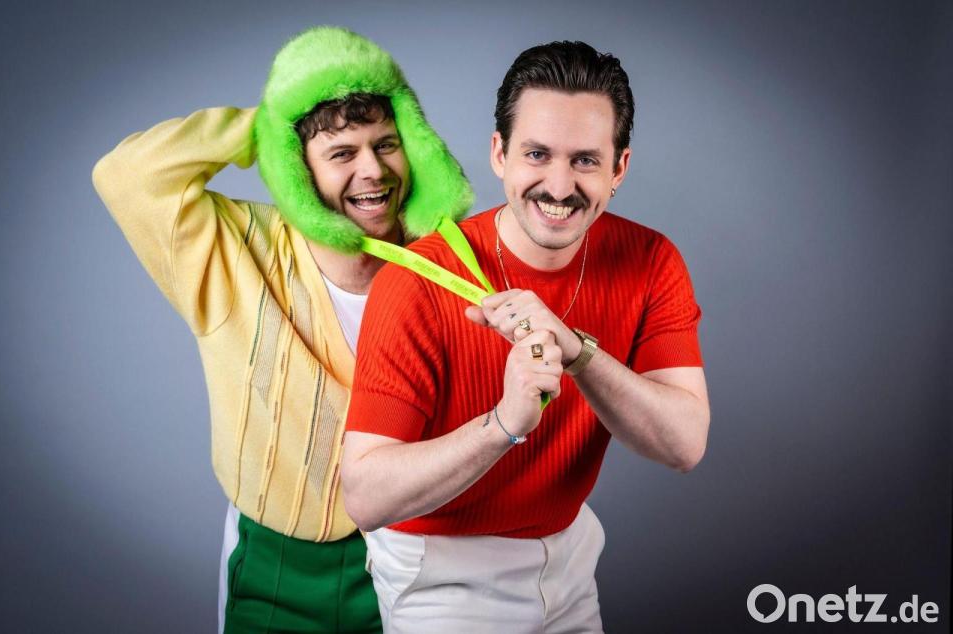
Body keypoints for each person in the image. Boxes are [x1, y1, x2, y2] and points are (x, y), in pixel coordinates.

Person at [92, 26, 472, 633]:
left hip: (419, 558)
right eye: (341, 153)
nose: (373, 171)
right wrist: (273, 123)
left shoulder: (449, 266)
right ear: (298, 165)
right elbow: (128, 175)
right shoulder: (240, 249)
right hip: (276, 565)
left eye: (387, 143)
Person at [342, 40, 710, 633]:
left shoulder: (651, 259)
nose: (559, 187)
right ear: (500, 154)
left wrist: (578, 352)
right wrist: (502, 425)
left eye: (585, 161)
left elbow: (684, 444)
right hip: (441, 573)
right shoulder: (415, 283)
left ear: (619, 168)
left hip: (570, 556)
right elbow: (365, 496)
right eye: (537, 154)